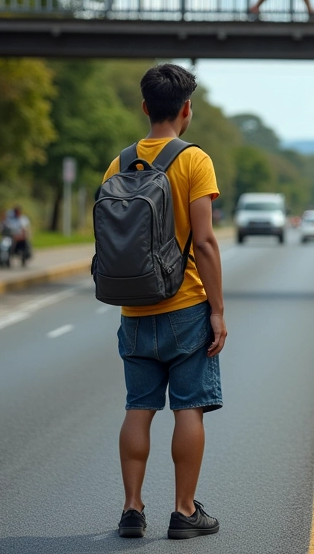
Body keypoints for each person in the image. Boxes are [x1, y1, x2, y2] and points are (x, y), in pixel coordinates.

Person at [102, 63, 227, 540]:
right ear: (186, 109)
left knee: (139, 407)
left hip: (133, 308)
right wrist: (216, 310)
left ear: (144, 107)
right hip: (184, 306)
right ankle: (184, 509)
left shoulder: (121, 161)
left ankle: (132, 508)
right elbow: (205, 242)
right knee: (188, 409)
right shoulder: (194, 160)